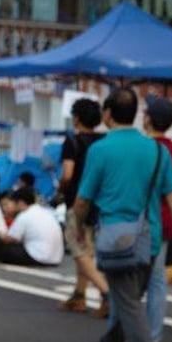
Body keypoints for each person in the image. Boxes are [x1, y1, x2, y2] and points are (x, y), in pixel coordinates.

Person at [74, 88, 172, 342]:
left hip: (116, 239)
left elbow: (83, 199)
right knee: (128, 301)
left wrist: (78, 228)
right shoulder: (157, 151)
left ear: (107, 114)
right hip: (151, 239)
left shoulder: (101, 150)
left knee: (128, 305)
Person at [58, 98, 110, 316]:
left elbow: (67, 174)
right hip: (100, 202)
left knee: (78, 250)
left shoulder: (72, 141)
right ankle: (79, 295)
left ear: (77, 118)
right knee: (87, 248)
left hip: (78, 200)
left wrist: (61, 186)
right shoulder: (104, 140)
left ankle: (107, 294)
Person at [142, 96, 172, 342]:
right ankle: (154, 336)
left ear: (147, 119)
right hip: (166, 222)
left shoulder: (142, 149)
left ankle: (121, 336)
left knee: (127, 282)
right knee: (157, 282)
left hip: (138, 220)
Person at [0, 187, 63, 267]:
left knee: (0, 248)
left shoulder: (24, 215)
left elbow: (9, 239)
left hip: (37, 257)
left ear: (20, 202)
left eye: (15, 203)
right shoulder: (46, 212)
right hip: (55, 258)